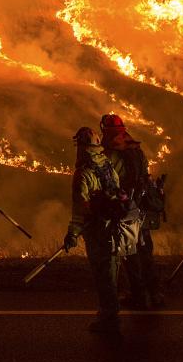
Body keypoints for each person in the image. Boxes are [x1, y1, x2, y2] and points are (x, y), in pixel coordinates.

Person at [64, 127, 133, 335]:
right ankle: (111, 314)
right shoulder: (107, 166)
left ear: (81, 148)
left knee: (103, 276)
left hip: (97, 232)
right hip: (115, 229)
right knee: (111, 272)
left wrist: (72, 234)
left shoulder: (83, 173)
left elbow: (80, 209)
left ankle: (109, 319)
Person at [99, 113, 163, 309]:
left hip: (126, 210)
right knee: (146, 252)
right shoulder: (136, 148)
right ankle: (156, 294)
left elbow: (109, 182)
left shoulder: (111, 153)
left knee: (130, 254)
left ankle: (139, 297)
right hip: (142, 207)